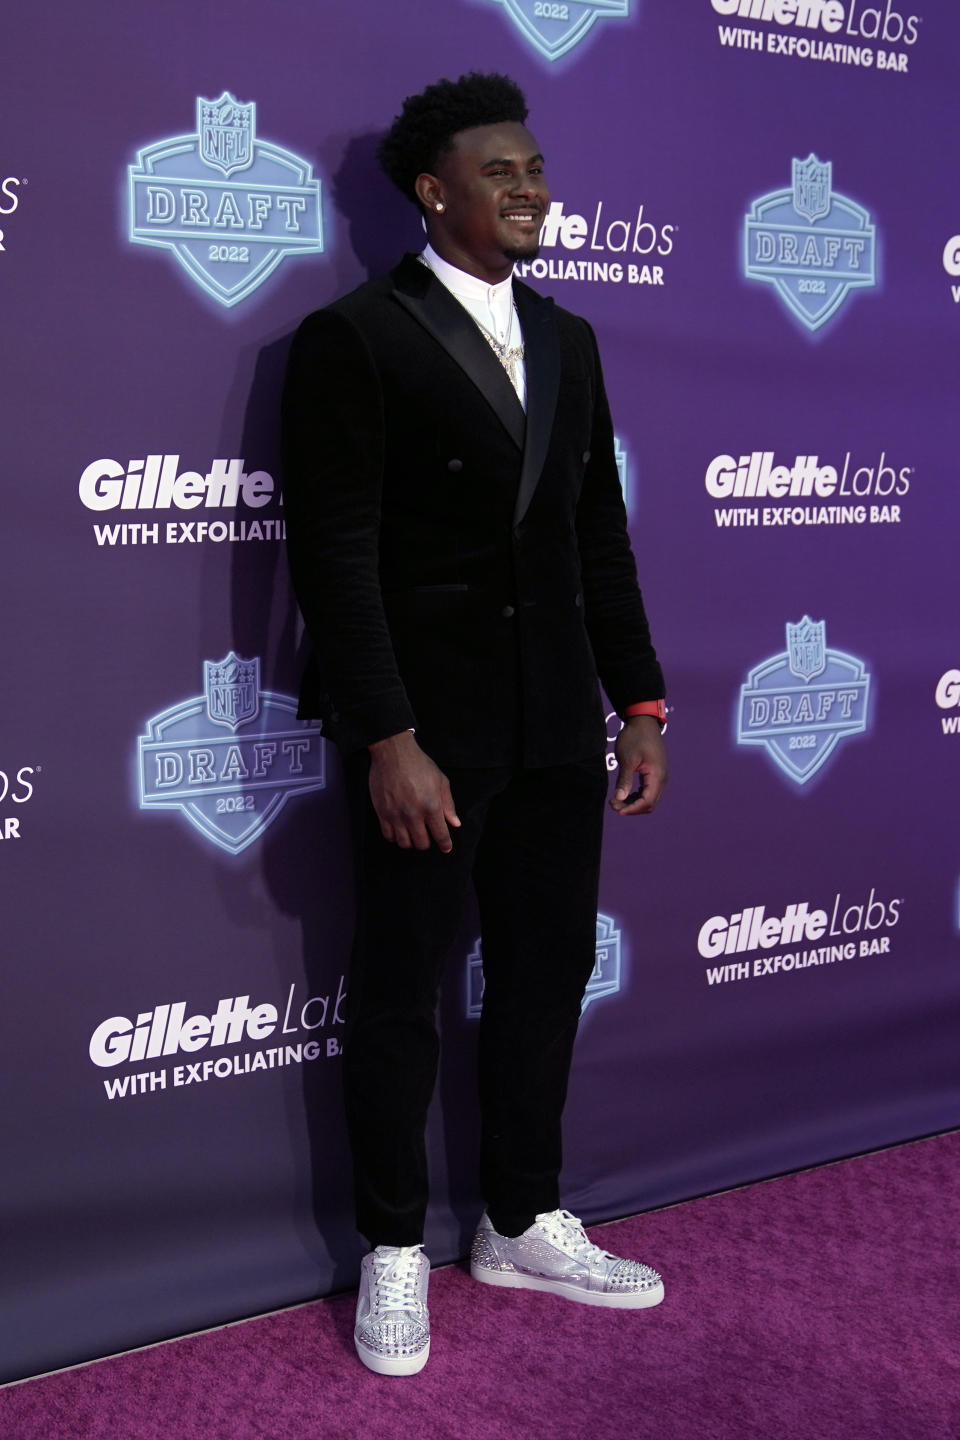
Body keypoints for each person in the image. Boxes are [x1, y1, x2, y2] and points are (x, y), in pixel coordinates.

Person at [282, 72, 668, 1378]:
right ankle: (394, 1248)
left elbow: (596, 540)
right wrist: (387, 736)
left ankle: (517, 1219)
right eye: (500, 172)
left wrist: (644, 703)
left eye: (537, 170)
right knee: (399, 994)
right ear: (434, 191)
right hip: (429, 737)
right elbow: (333, 559)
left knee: (548, 975)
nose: (529, 191)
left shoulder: (572, 340)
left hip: (559, 721)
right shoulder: (358, 338)